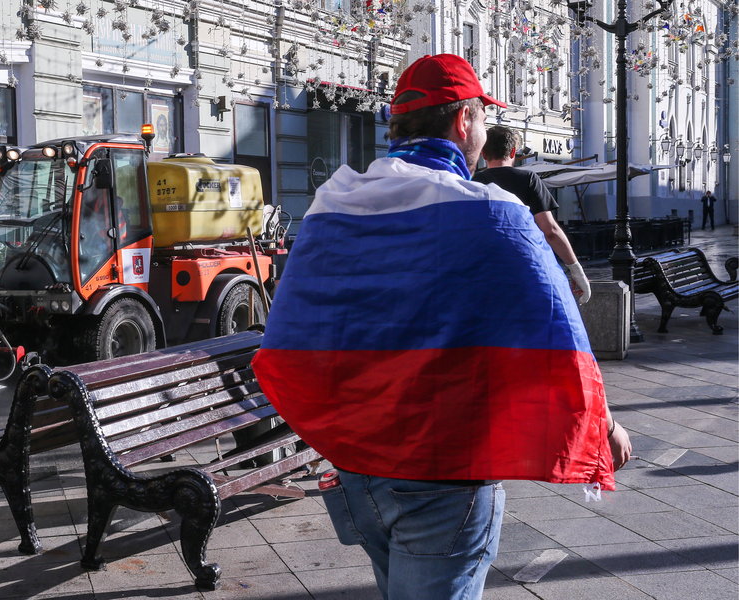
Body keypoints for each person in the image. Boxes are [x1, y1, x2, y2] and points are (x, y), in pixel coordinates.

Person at [252, 53, 631, 600]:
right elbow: (556, 329)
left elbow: (292, 332)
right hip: (443, 472)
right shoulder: (493, 212)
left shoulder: (334, 204)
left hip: (359, 468)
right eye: (481, 117)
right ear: (464, 122)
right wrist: (604, 424)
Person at [473, 126, 591, 304]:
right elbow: (550, 230)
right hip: (524, 265)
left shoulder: (473, 182)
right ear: (514, 151)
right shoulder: (528, 179)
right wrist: (575, 269)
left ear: (483, 153)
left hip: (485, 268)